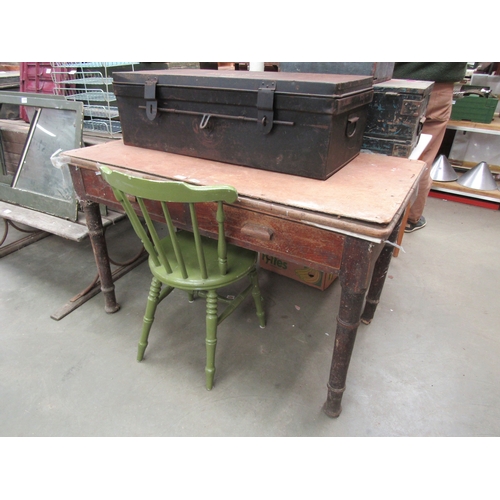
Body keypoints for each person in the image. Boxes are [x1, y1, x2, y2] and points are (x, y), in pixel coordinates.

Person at [393, 63, 467, 232]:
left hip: (389, 82)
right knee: (422, 157)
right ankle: (409, 219)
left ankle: (377, 218)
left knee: (379, 154)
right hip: (436, 87)